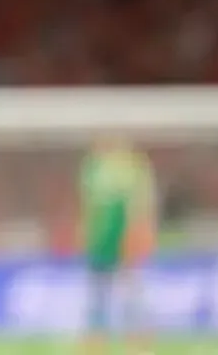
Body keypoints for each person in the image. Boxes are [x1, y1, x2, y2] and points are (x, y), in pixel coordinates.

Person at [79, 135, 157, 355]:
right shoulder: (93, 167)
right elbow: (91, 210)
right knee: (101, 294)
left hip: (122, 240)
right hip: (101, 243)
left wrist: (136, 236)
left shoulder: (129, 168)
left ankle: (135, 338)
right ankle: (98, 339)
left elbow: (138, 207)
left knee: (129, 293)